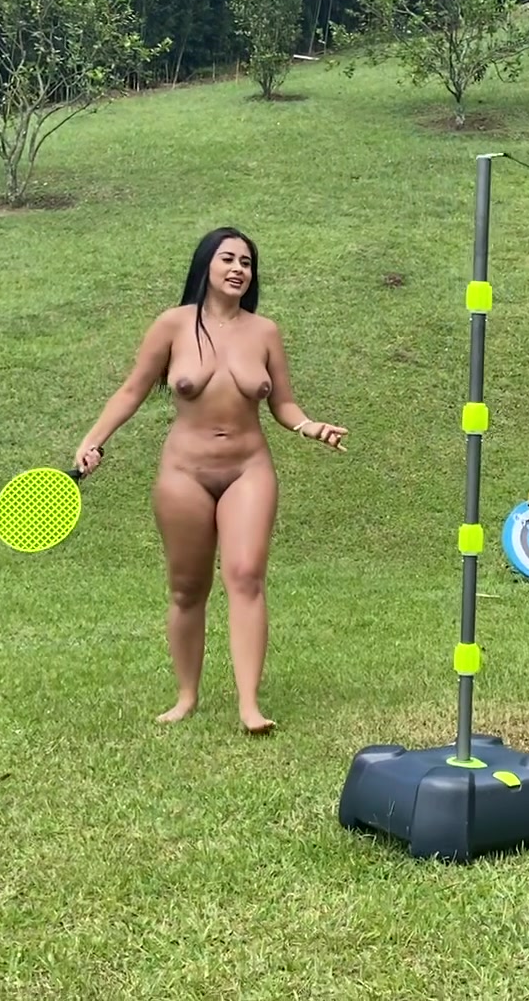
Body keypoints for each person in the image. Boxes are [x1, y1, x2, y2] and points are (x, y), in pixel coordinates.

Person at [72, 226, 347, 735]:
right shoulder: (173, 325)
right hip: (184, 473)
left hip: (249, 469)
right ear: (206, 265)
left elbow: (283, 403)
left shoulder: (264, 332)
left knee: (246, 575)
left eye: (247, 262)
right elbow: (132, 391)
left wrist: (310, 426)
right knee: (186, 588)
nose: (239, 269)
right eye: (228, 259)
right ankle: (185, 697)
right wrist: (93, 440)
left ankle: (250, 706)